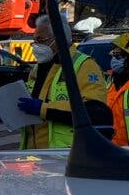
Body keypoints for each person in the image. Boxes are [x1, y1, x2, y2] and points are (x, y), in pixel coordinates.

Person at [17, 13, 111, 149]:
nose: (35, 46)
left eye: (41, 40)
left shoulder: (84, 66)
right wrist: (12, 113)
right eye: (34, 41)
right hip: (34, 156)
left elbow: (95, 112)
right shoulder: (38, 68)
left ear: (59, 39)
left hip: (66, 154)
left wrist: (43, 109)